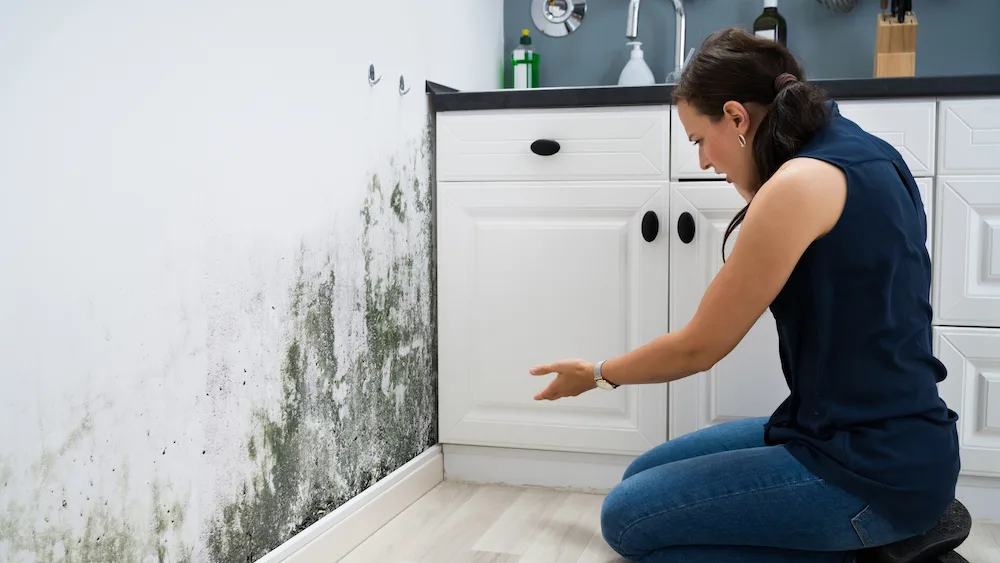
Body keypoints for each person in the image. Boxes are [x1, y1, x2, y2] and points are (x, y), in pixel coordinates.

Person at [527, 27, 966, 563]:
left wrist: (596, 373)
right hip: (865, 438)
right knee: (641, 476)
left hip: (870, 471)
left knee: (628, 520)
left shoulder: (798, 184)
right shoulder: (865, 151)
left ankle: (873, 552)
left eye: (697, 140)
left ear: (736, 118)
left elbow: (699, 347)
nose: (704, 163)